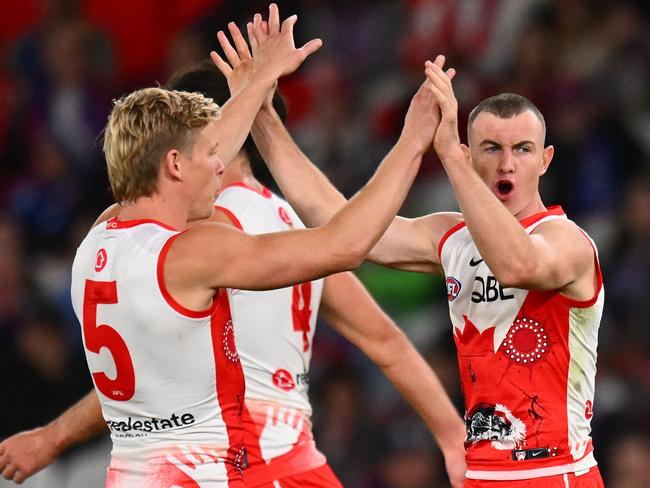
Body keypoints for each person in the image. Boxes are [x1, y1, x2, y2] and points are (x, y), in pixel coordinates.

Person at [0, 4, 450, 486]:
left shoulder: (101, 233)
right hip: (246, 466)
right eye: (203, 148)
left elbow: (148, 377)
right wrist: (409, 144)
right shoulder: (221, 237)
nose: (214, 159)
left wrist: (52, 437)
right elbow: (366, 294)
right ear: (179, 161)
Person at [228, 33, 605, 486]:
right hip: (481, 473)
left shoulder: (568, 242)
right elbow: (338, 223)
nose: (507, 163)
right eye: (491, 148)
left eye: (522, 149)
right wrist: (260, 111)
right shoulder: (448, 237)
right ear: (471, 154)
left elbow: (517, 265)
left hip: (557, 472)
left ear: (545, 160)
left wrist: (447, 154)